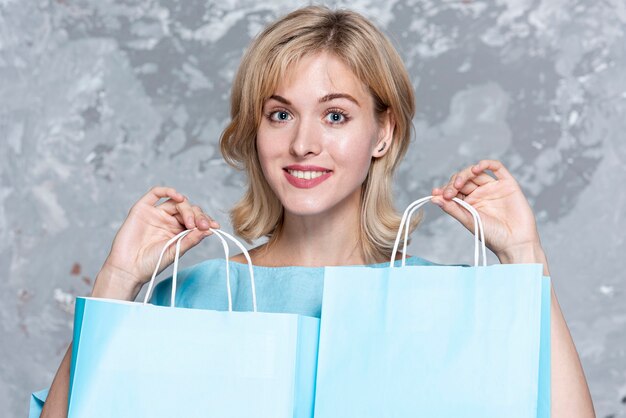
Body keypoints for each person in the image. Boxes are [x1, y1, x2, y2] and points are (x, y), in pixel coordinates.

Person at [35, 5, 595, 417]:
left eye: (335, 116)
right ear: (255, 131)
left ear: (382, 132)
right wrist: (117, 281)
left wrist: (526, 258)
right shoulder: (186, 297)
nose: (304, 143)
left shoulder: (450, 303)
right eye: (280, 115)